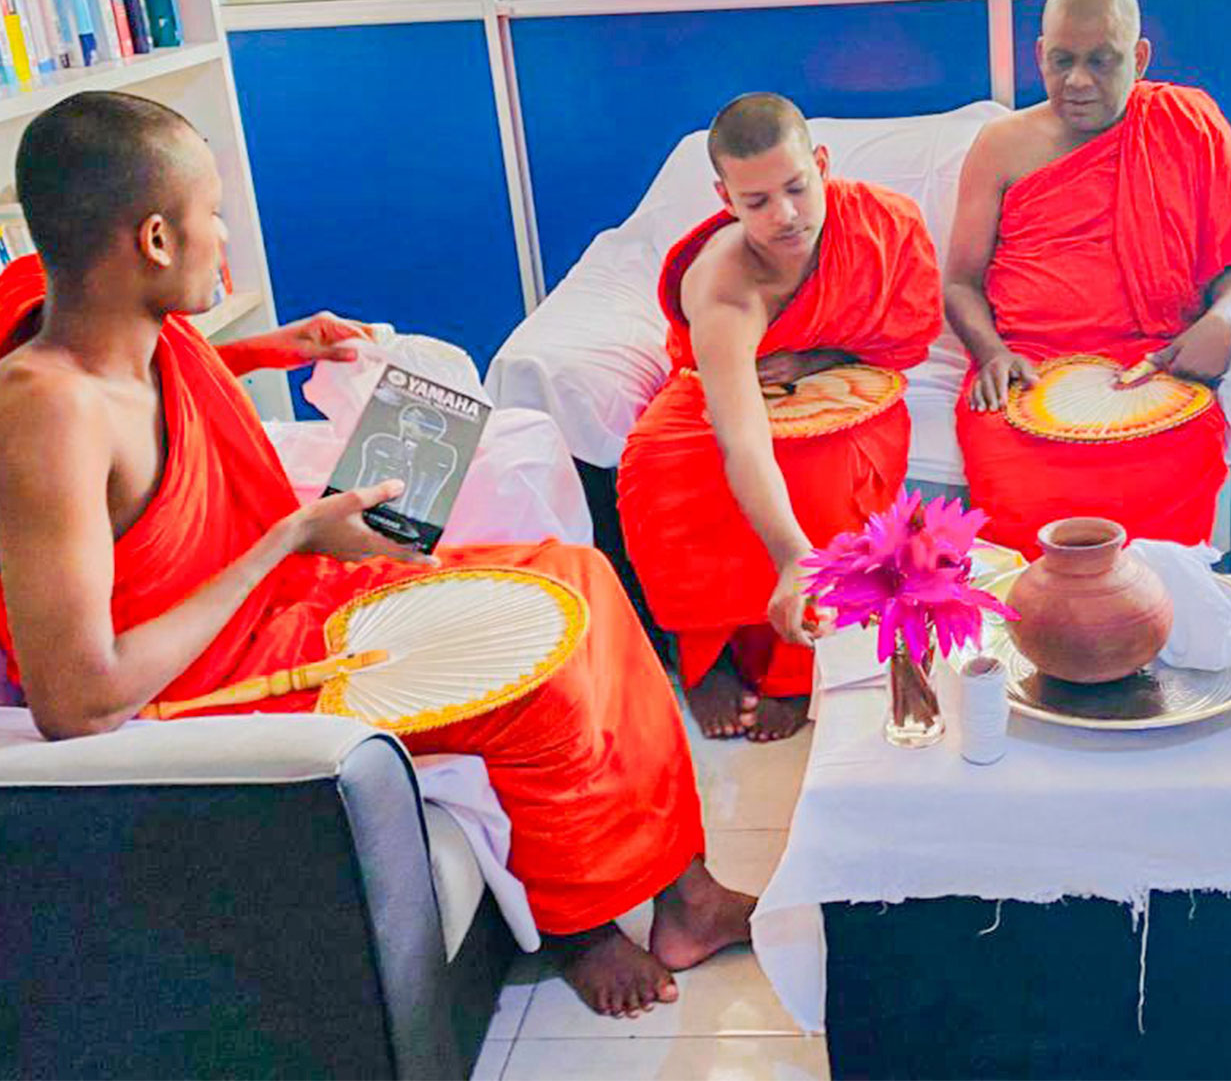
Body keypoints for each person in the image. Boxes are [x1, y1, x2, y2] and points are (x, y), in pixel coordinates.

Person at [0, 92, 752, 1019]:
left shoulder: (92, 310)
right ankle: (580, 926)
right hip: (202, 675)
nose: (224, 236)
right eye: (213, 214)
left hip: (276, 600)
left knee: (579, 578)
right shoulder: (45, 411)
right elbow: (76, 700)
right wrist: (290, 536)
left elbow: (145, 401)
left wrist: (263, 352)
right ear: (155, 240)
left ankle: (685, 893)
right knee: (537, 667)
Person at [617, 93, 941, 743]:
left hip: (848, 384)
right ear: (725, 199)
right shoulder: (725, 285)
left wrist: (819, 358)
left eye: (796, 188)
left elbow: (904, 338)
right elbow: (742, 440)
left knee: (827, 475)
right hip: (720, 383)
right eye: (757, 201)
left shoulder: (882, 225)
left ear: (821, 164)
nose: (786, 216)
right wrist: (793, 557)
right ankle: (705, 652)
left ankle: (798, 667)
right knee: (658, 468)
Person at [945, 0, 1231, 556]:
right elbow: (960, 283)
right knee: (1022, 503)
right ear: (1040, 55)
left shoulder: (1186, 123)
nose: (1078, 81)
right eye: (1062, 61)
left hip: (1149, 369)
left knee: (1172, 494)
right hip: (1028, 372)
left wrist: (1225, 319)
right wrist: (991, 353)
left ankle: (1163, 609)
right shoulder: (1001, 145)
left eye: (1101, 61)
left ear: (1139, 58)